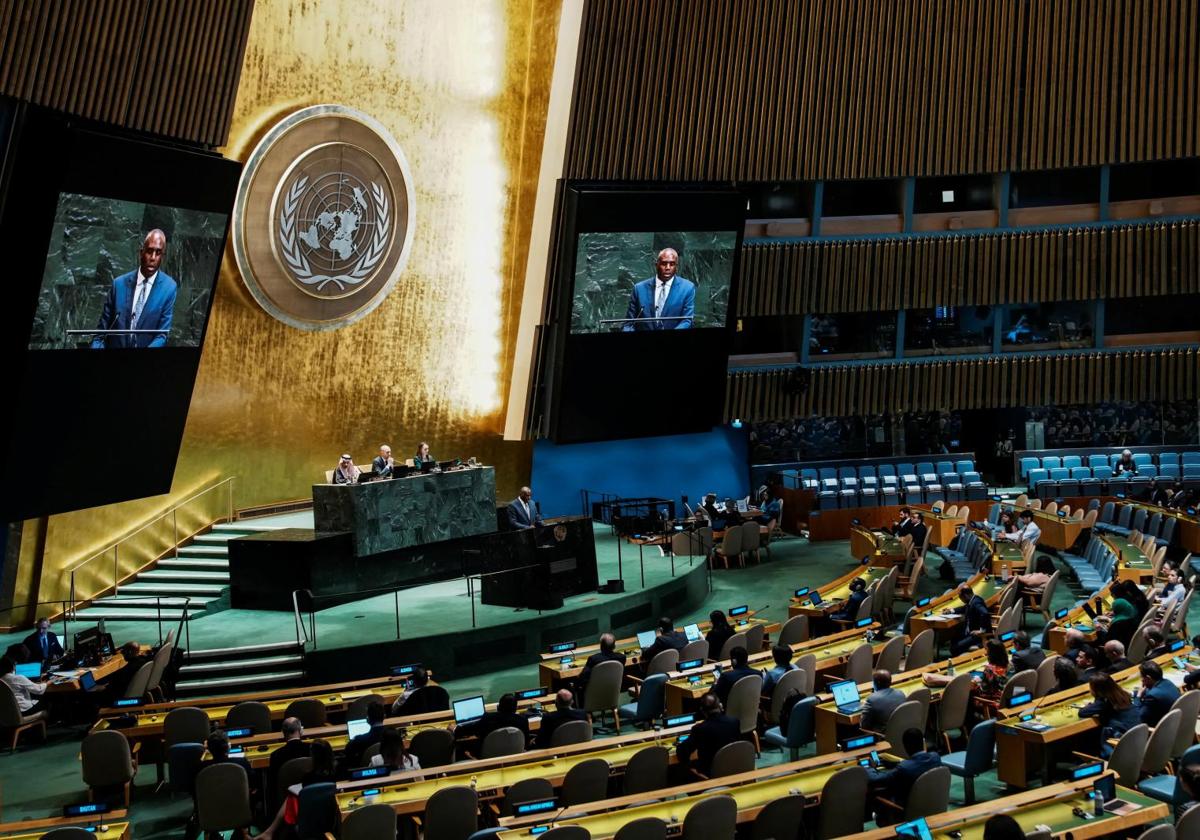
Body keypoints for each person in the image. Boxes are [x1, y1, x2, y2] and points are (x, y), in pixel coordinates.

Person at [90, 229, 177, 348]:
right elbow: (100, 335)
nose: (153, 258)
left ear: (163, 256)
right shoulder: (119, 285)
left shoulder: (169, 288)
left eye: (158, 253)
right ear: (141, 253)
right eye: (149, 251)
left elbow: (161, 336)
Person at [258, 739, 337, 840]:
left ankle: (272, 832)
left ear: (313, 756)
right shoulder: (338, 774)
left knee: (291, 798)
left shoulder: (308, 778)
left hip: (310, 824)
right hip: (332, 820)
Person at [867, 729, 943, 817]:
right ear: (923, 743)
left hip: (907, 811)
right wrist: (897, 764)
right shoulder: (936, 757)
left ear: (906, 746)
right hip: (933, 805)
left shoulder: (903, 768)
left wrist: (870, 768)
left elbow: (875, 779)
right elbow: (917, 764)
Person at [622, 247, 696, 331]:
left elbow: (687, 321)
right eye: (664, 263)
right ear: (656, 265)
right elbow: (629, 323)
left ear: (676, 267)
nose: (668, 267)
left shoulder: (687, 288)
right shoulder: (639, 289)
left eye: (672, 264)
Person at [676, 693, 740, 776]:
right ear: (720, 706)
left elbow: (683, 753)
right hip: (734, 766)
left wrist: (679, 746)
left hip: (710, 771)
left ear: (702, 711)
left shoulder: (699, 729)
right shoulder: (734, 722)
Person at [1079, 673, 1141, 755]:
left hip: (1122, 749)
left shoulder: (1103, 702)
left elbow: (1082, 713)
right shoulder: (1123, 694)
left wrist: (1090, 705)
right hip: (1139, 742)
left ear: (1096, 690)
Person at [454, 692, 528, 748]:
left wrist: (455, 729)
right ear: (516, 709)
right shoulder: (523, 720)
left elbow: (468, 730)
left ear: (498, 707)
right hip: (515, 754)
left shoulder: (488, 718)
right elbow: (526, 741)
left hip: (489, 756)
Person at [577, 633, 626, 705]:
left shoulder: (593, 659)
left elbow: (583, 678)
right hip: (612, 690)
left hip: (595, 692)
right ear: (614, 646)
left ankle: (584, 714)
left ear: (601, 646)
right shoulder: (622, 658)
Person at [267, 717, 310, 797]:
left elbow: (272, 785)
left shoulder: (275, 755)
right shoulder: (312, 749)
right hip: (311, 795)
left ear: (283, 733)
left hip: (286, 799)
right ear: (301, 731)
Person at [1135, 660, 1181, 727]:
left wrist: (1138, 697)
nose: (1141, 680)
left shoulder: (1152, 696)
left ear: (1148, 678)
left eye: (1142, 677)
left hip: (1164, 728)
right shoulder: (1168, 682)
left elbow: (1139, 718)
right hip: (1179, 721)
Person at [950, 584, 991, 655]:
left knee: (954, 648)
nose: (961, 600)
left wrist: (982, 630)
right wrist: (951, 610)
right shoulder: (972, 600)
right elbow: (964, 608)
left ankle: (962, 660)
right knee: (953, 639)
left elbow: (985, 613)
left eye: (961, 598)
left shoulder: (976, 603)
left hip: (977, 635)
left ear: (965, 596)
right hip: (969, 632)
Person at [343, 701, 387, 768]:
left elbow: (347, 752)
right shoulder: (393, 736)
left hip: (365, 770)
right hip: (387, 768)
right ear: (384, 716)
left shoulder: (358, 740)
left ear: (368, 719)